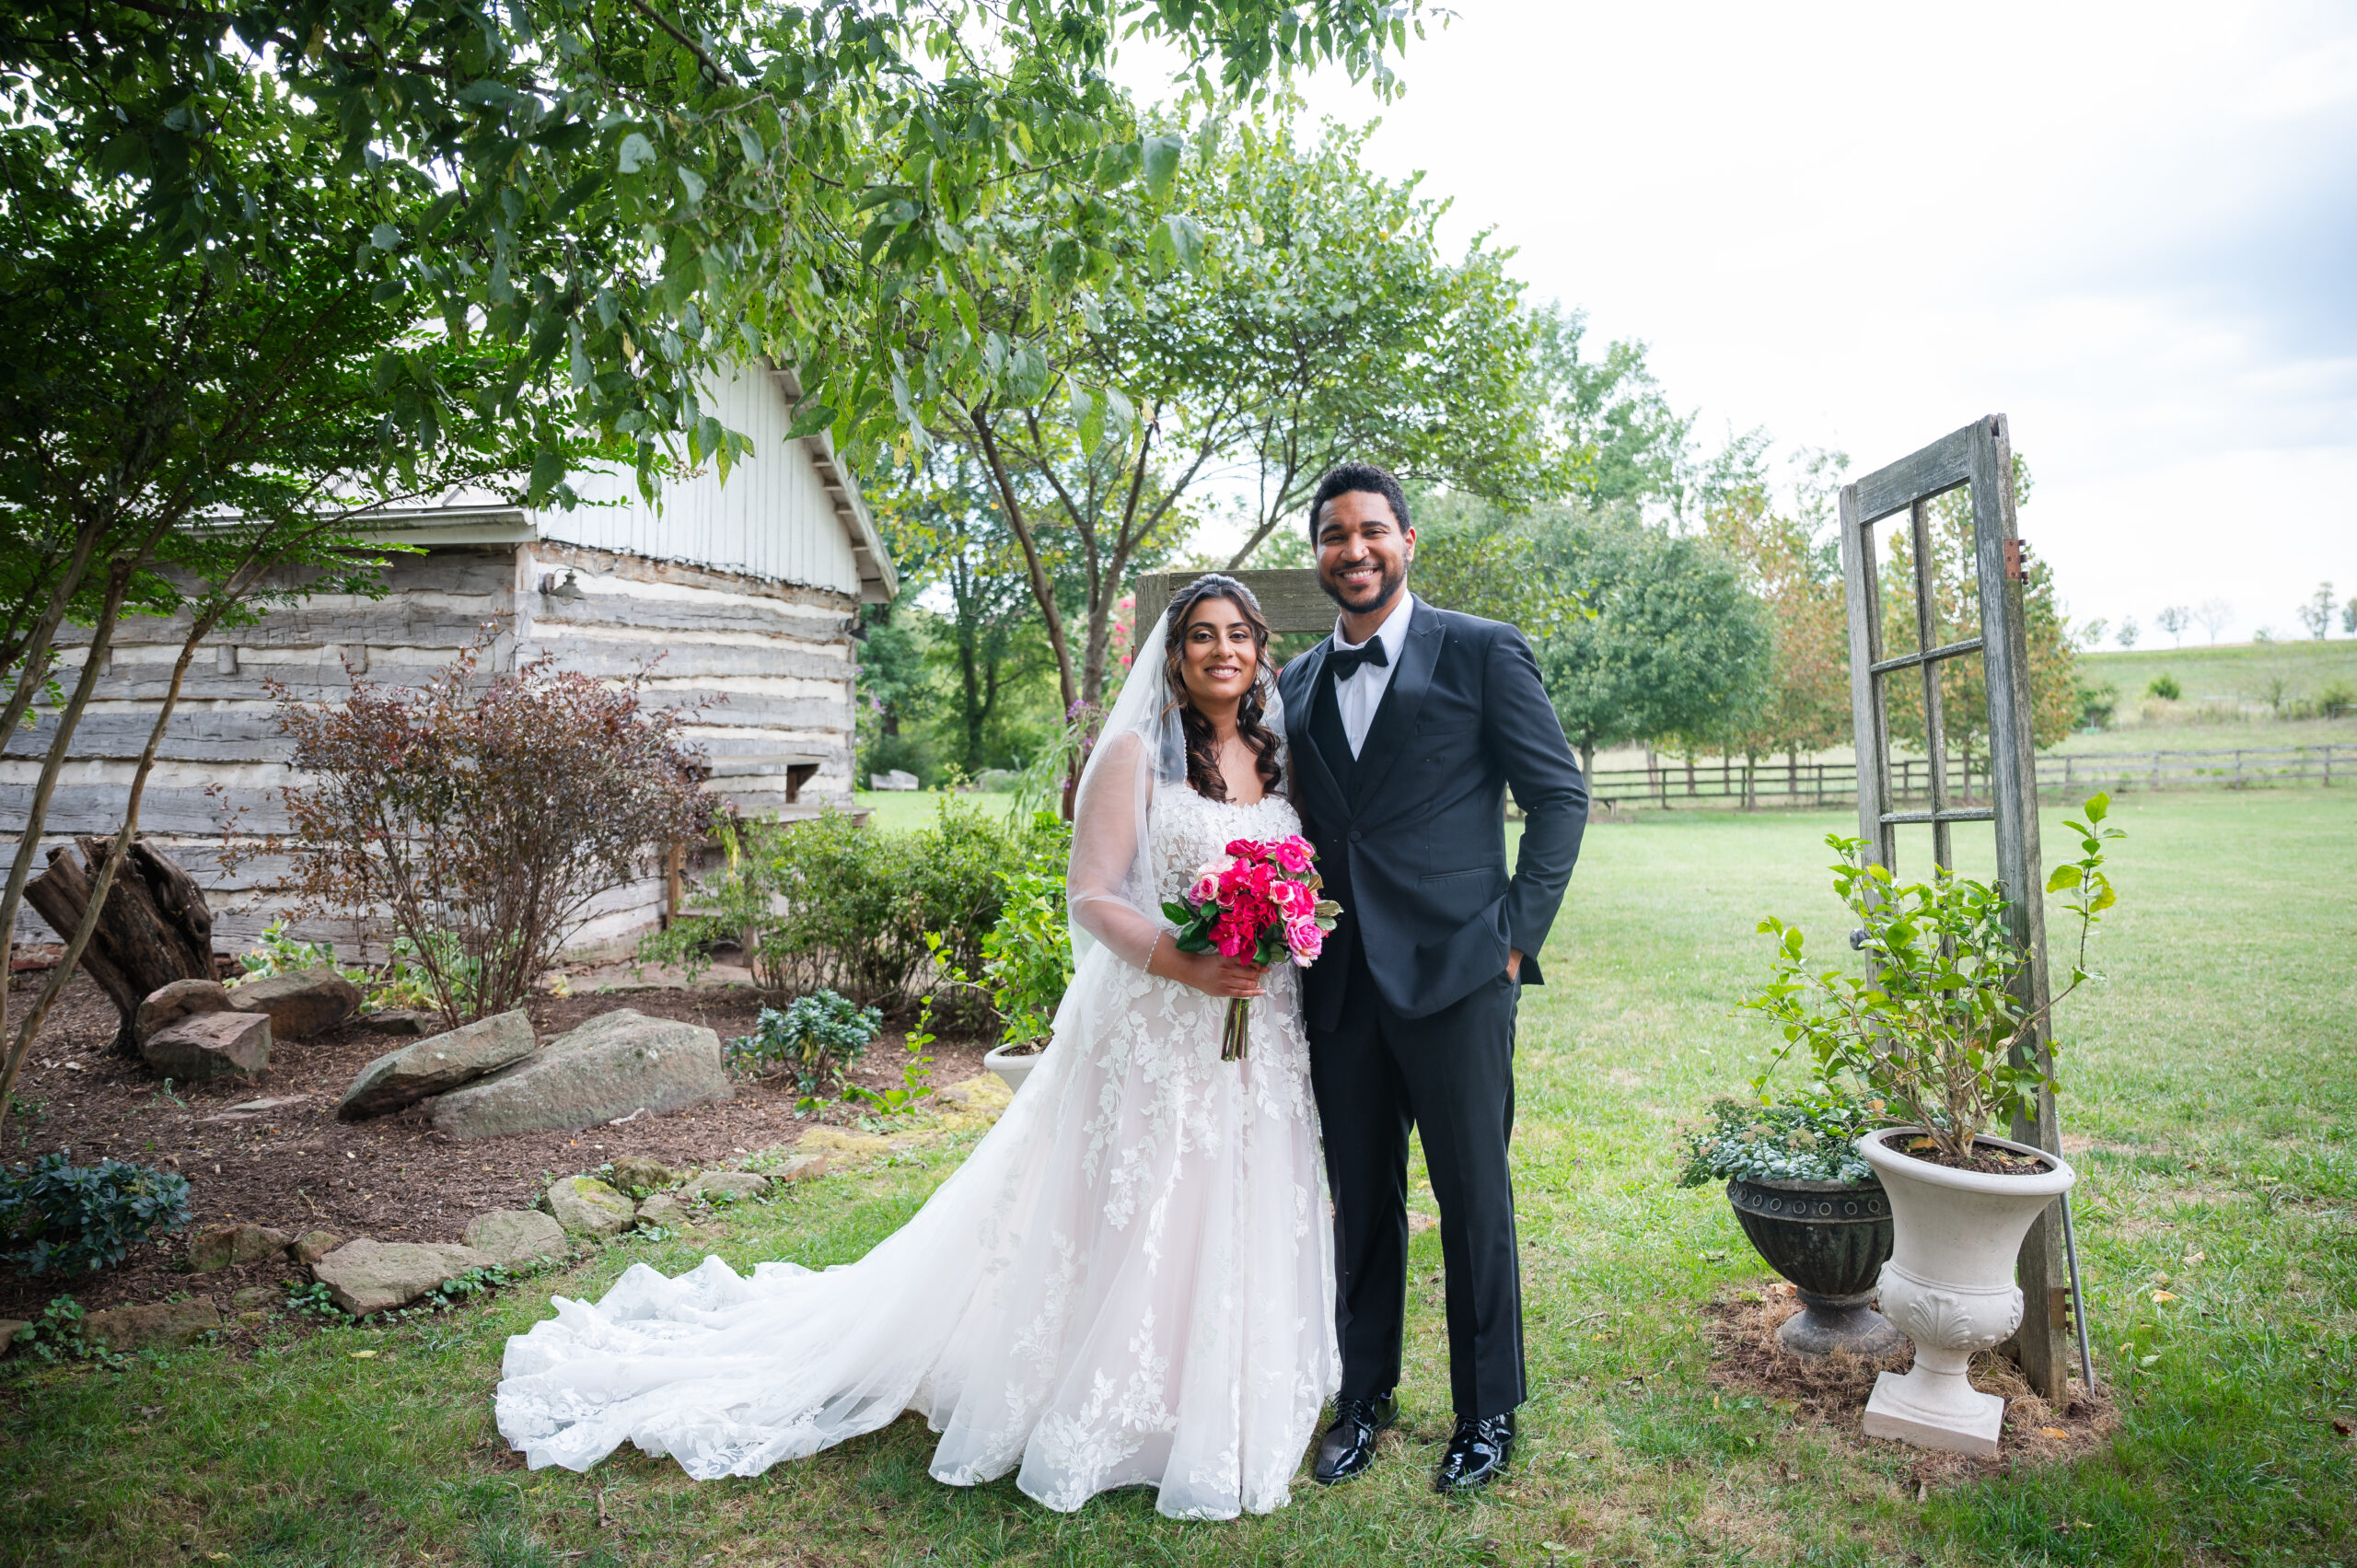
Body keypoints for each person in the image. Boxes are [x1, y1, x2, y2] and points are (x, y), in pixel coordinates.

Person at [495, 574, 1338, 1521]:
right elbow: (1093, 895)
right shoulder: (1136, 754)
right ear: (1175, 655)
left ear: (1260, 649)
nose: (1221, 650)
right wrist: (1183, 965)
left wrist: (1274, 934)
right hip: (1161, 1017)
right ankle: (1118, 1395)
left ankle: (1219, 1379)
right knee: (1146, 1199)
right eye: (1199, 636)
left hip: (1258, 1025)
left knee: (1234, 1189)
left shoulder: (1275, 756)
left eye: (1237, 635)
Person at [1275, 463, 1588, 1494]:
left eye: (1372, 530)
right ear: (1316, 551)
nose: (1353, 550)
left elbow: (1558, 797)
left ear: (1407, 539)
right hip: (1342, 983)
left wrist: (1511, 937)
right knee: (1359, 1198)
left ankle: (1486, 1410)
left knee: (1472, 1197)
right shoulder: (1296, 685)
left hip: (1459, 974)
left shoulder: (1485, 650)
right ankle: (1361, 1396)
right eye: (1333, 534)